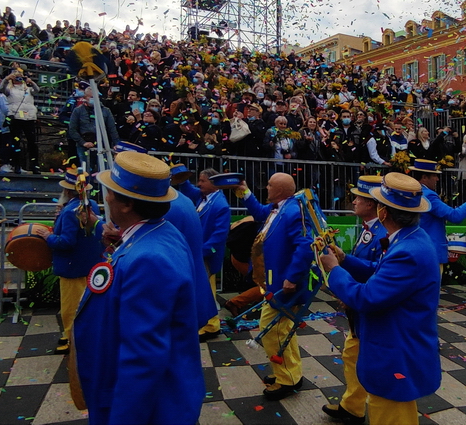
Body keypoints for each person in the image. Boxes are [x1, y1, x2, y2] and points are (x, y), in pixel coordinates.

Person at [73, 152, 204, 425]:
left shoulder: (148, 258)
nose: (106, 198)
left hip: (153, 409)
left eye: (111, 192)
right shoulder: (161, 231)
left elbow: (143, 358)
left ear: (128, 204)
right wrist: (121, 244)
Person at [319, 172, 439, 425]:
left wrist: (334, 270)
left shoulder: (407, 250)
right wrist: (346, 260)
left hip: (395, 352)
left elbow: (367, 298)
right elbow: (381, 272)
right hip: (396, 346)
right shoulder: (409, 238)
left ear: (383, 212)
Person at [237, 172, 314, 400]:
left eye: (270, 185)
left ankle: (288, 379)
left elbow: (305, 245)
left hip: (284, 283)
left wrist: (292, 277)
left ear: (280, 190)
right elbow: (260, 213)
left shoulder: (293, 211)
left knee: (272, 330)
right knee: (281, 329)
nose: (266, 188)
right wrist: (244, 191)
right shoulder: (279, 207)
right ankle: (289, 372)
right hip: (275, 281)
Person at [322, 175, 385, 425]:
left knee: (358, 357)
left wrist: (343, 263)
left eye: (358, 198)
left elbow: (378, 272)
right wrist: (343, 258)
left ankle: (354, 408)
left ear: (371, 203)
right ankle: (352, 406)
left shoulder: (382, 232)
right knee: (352, 356)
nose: (354, 201)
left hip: (367, 307)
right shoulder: (370, 228)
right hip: (359, 306)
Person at [36, 167, 103, 354]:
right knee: (85, 304)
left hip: (72, 267)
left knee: (70, 307)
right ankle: (81, 336)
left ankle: (70, 338)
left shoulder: (69, 211)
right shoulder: (92, 205)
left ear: (67, 190)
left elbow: (66, 242)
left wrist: (47, 237)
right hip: (88, 265)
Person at [182, 168, 232, 340]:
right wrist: (181, 174)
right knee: (203, 289)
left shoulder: (221, 205)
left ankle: (210, 325)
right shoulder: (203, 197)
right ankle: (208, 323)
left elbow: (219, 236)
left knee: (206, 290)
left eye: (202, 181)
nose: (199, 184)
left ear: (213, 182)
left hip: (207, 256)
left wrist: (201, 252)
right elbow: (188, 189)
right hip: (199, 253)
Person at [408, 158, 466, 270]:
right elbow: (455, 216)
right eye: (434, 176)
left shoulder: (410, 192)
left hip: (414, 249)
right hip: (430, 252)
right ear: (424, 177)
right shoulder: (429, 195)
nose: (437, 179)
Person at [68, 87, 120, 172]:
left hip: (102, 145)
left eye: (96, 97)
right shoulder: (77, 111)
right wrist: (83, 142)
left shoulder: (106, 111)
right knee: (86, 171)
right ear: (85, 98)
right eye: (91, 97)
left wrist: (116, 144)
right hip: (84, 146)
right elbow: (72, 129)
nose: (94, 99)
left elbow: (112, 129)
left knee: (104, 171)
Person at [2, 69, 40, 173]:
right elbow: (2, 88)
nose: (18, 79)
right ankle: (16, 165)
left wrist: (31, 82)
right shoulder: (10, 89)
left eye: (20, 77)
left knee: (32, 142)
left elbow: (37, 90)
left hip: (29, 117)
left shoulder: (28, 89)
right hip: (16, 117)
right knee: (16, 141)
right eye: (16, 78)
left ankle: (35, 165)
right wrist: (6, 79)